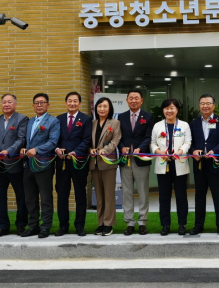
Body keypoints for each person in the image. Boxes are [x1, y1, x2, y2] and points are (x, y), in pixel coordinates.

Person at [189, 94, 219, 235]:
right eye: (202, 103)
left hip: (215, 163)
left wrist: (215, 151)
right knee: (199, 196)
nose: (205, 106)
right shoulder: (194, 123)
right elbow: (190, 142)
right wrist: (193, 151)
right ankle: (198, 225)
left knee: (218, 195)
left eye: (208, 103)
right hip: (199, 164)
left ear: (213, 105)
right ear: (199, 105)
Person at [20, 93, 60, 239]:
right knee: (30, 197)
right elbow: (27, 141)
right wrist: (24, 148)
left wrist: (36, 150)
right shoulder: (30, 121)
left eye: (42, 102)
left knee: (45, 197)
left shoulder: (53, 121)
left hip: (44, 164)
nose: (39, 105)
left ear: (48, 105)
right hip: (28, 164)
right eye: (36, 103)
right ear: (33, 106)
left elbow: (52, 142)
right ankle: (33, 226)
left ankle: (45, 227)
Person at [151, 98, 191, 236]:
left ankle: (182, 224)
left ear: (177, 110)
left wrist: (180, 151)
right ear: (163, 110)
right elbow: (152, 143)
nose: (169, 111)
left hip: (179, 163)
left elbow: (188, 142)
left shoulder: (184, 125)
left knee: (181, 196)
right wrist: (159, 152)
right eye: (166, 108)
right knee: (164, 196)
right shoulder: (157, 126)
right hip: (163, 164)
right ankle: (165, 225)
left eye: (172, 108)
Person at [117, 89, 154, 236]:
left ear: (141, 100)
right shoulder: (121, 117)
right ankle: (129, 223)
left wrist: (141, 148)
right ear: (127, 100)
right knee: (127, 192)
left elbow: (148, 136)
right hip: (125, 160)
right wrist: (122, 147)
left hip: (141, 159)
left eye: (136, 98)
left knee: (143, 191)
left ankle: (142, 222)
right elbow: (118, 136)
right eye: (131, 98)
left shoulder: (148, 117)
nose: (133, 101)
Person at [54, 91, 92, 237]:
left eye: (75, 101)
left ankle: (80, 225)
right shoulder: (59, 119)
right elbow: (54, 138)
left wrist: (76, 152)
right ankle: (63, 226)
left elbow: (86, 139)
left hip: (78, 162)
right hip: (62, 163)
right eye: (69, 101)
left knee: (80, 194)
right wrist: (57, 149)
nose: (72, 103)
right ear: (65, 103)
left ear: (79, 103)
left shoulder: (86, 119)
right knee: (62, 194)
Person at [0, 93, 29, 237]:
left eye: (9, 102)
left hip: (15, 163)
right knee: (0, 196)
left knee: (21, 195)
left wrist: (9, 151)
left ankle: (21, 224)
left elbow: (21, 139)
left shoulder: (22, 119)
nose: (6, 104)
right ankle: (2, 225)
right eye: (4, 102)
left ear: (15, 104)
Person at [89, 97, 121, 236]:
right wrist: (90, 149)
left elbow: (116, 140)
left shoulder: (115, 123)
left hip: (108, 162)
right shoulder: (92, 123)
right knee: (99, 196)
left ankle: (108, 224)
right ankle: (100, 223)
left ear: (110, 109)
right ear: (96, 108)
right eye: (99, 106)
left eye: (105, 106)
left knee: (109, 195)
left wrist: (105, 150)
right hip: (94, 163)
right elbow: (88, 140)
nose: (102, 109)